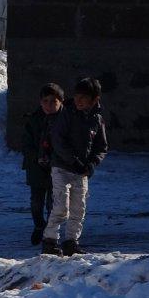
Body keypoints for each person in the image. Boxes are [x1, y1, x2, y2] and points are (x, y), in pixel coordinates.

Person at [42, 78, 108, 256]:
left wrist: (92, 163)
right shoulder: (66, 114)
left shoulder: (97, 119)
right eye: (77, 96)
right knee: (61, 206)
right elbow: (58, 140)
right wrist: (74, 161)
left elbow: (101, 147)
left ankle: (71, 241)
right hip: (62, 167)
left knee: (79, 208)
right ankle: (50, 240)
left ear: (94, 99)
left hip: (82, 171)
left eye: (84, 97)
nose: (78, 101)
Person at [21, 83, 64, 246]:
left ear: (61, 101)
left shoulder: (65, 120)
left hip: (58, 167)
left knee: (53, 204)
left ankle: (50, 233)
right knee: (36, 203)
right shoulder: (34, 119)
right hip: (36, 168)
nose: (49, 105)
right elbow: (26, 143)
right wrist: (36, 157)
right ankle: (39, 225)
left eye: (53, 101)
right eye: (45, 101)